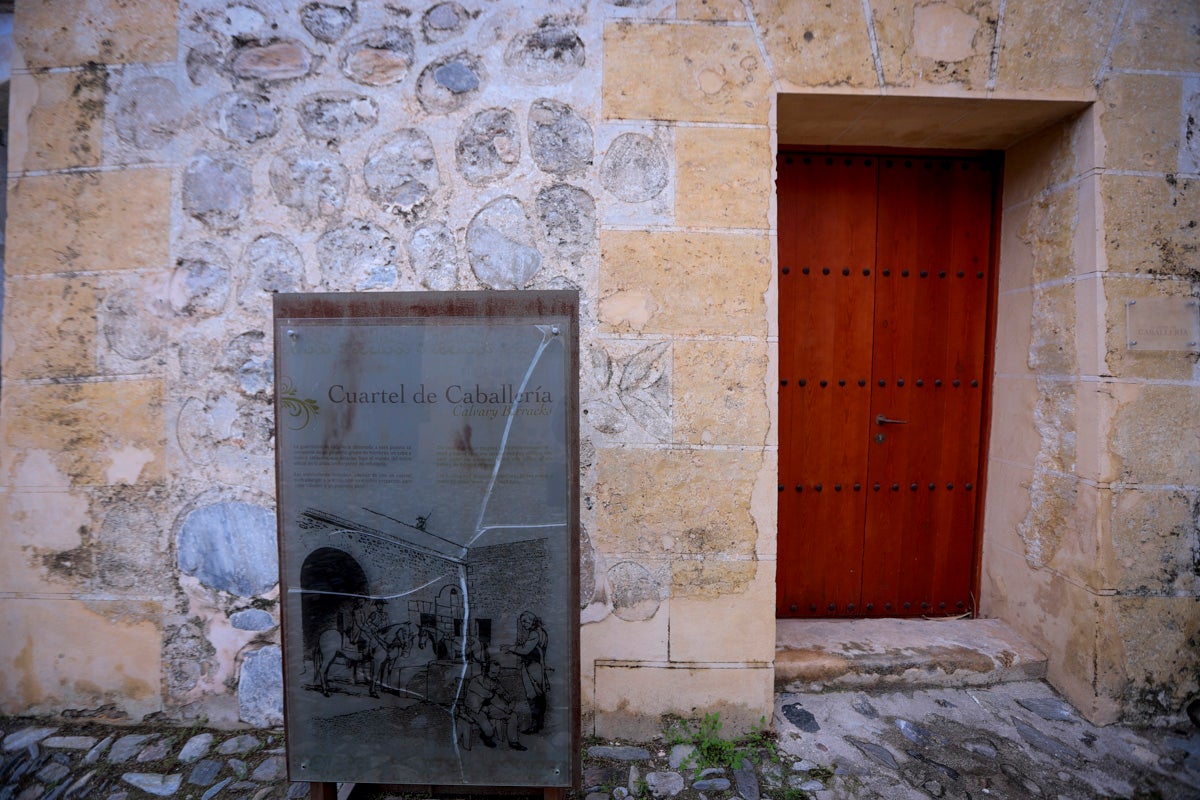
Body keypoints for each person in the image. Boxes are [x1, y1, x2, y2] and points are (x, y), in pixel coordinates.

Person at [501, 611, 548, 734]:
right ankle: (539, 724)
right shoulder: (541, 632)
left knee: (533, 696)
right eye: (522, 622)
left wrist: (509, 648)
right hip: (536, 666)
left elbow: (525, 650)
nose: (523, 624)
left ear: (532, 620)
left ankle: (534, 725)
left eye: (526, 621)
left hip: (532, 667)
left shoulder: (534, 633)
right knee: (539, 695)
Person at [463, 660, 526, 751]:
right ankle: (486, 736)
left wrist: (510, 700)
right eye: (493, 672)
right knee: (489, 731)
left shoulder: (495, 681)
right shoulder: (476, 681)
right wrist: (504, 707)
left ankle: (513, 741)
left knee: (512, 716)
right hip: (475, 709)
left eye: (497, 673)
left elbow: (504, 694)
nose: (496, 675)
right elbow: (490, 696)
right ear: (486, 671)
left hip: (489, 708)